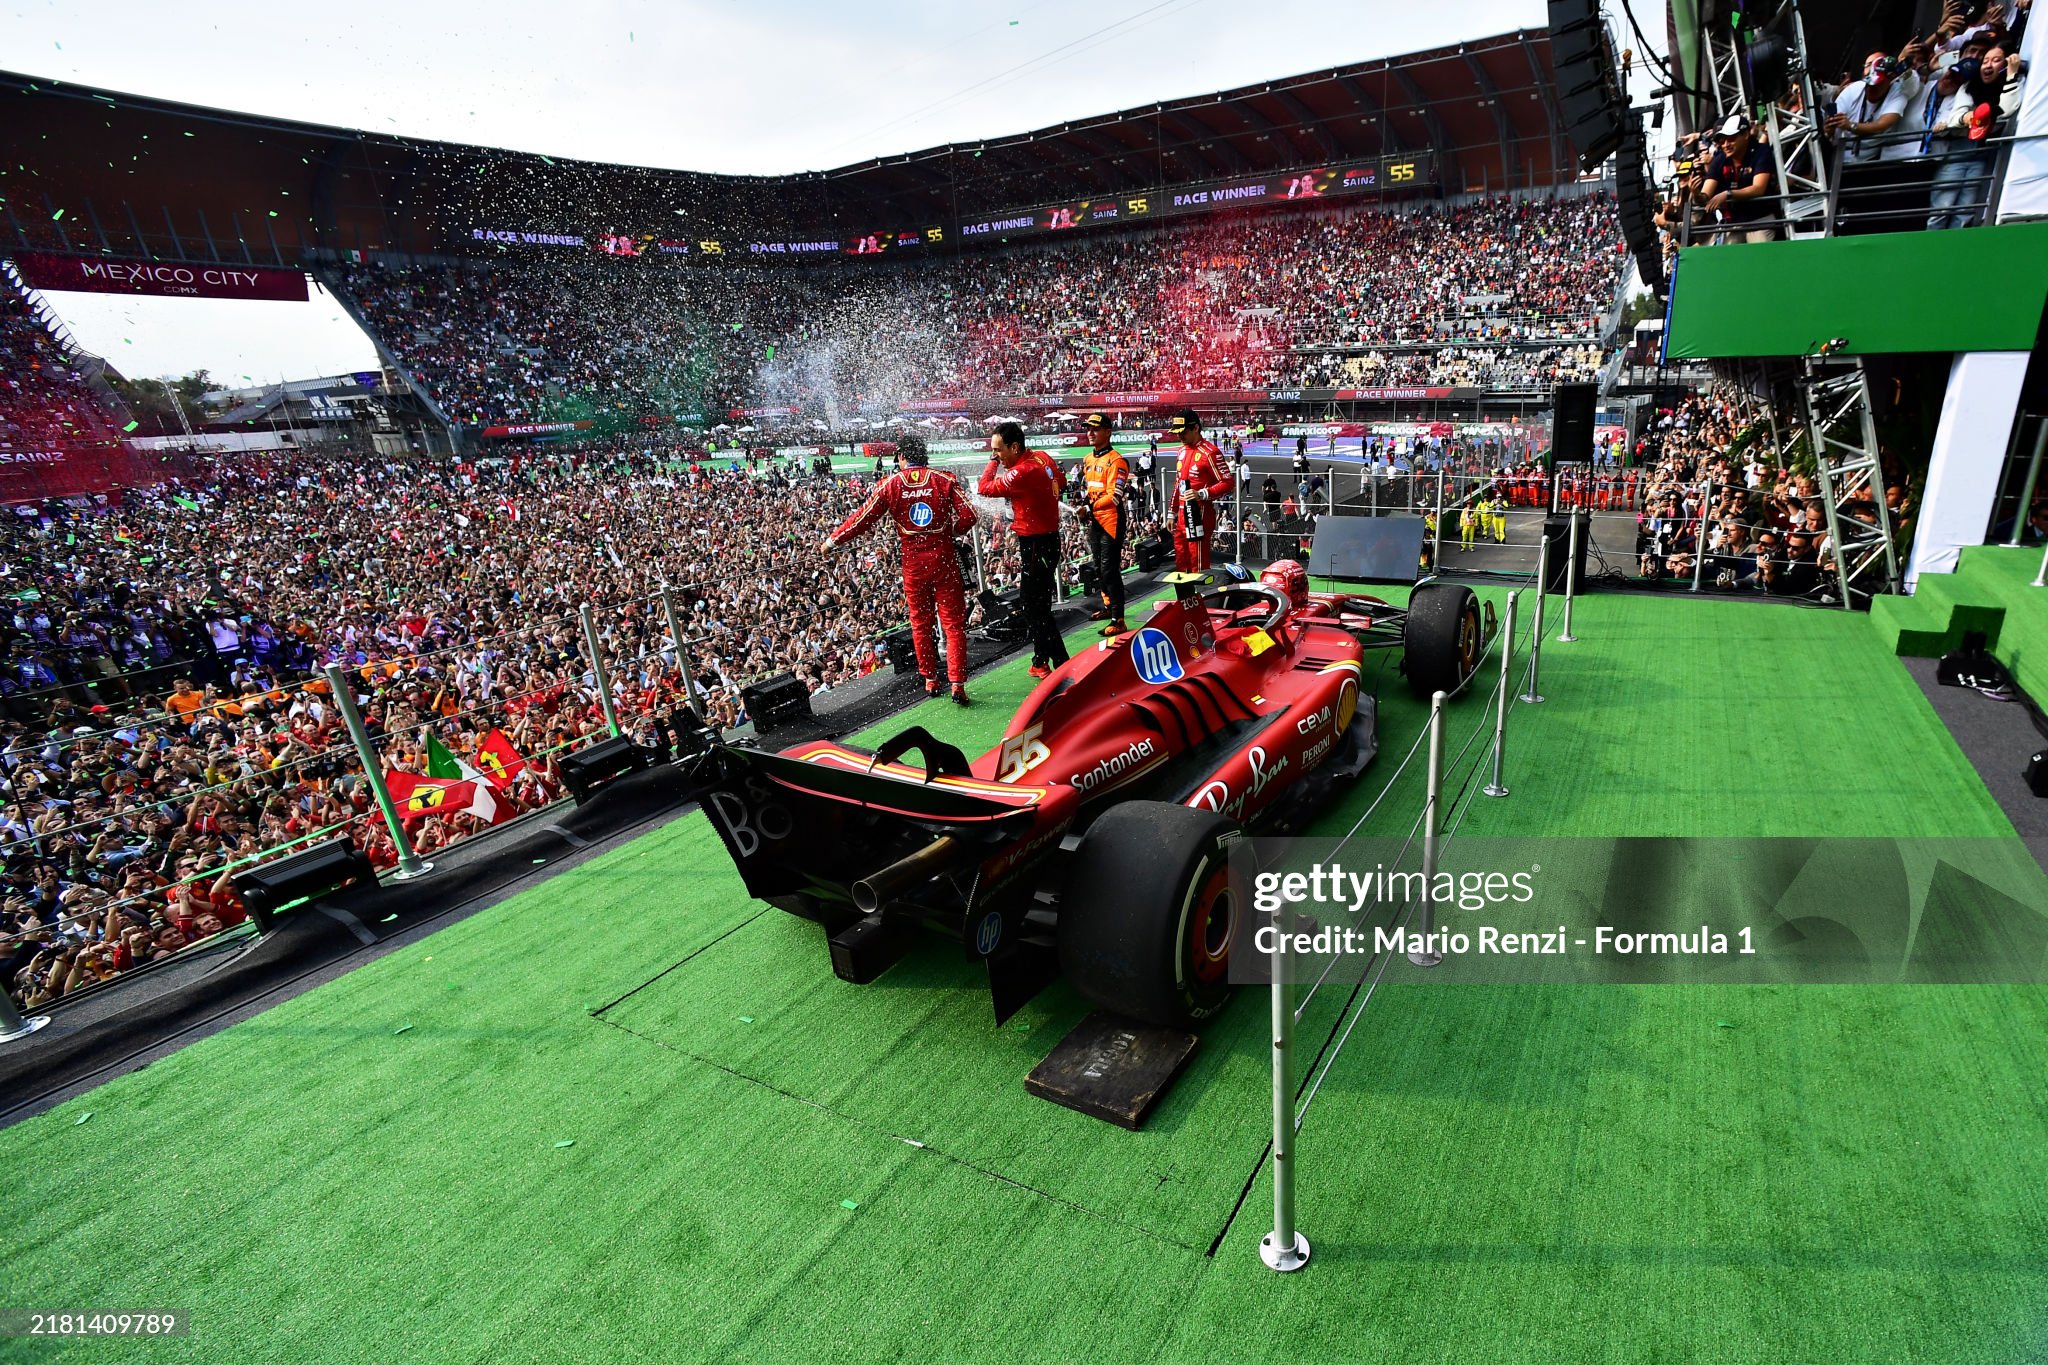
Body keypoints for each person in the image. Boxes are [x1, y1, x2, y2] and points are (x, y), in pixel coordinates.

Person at [824, 435, 978, 705]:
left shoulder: (890, 484)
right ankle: (958, 684)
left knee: (921, 623)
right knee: (953, 625)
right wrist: (952, 531)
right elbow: (970, 515)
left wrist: (832, 540)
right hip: (944, 560)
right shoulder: (944, 479)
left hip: (914, 565)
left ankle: (930, 679)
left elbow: (862, 518)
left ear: (902, 457)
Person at [979, 421, 1070, 678]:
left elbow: (983, 487)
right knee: (1039, 604)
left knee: (1033, 608)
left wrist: (992, 464)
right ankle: (1040, 660)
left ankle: (1063, 664)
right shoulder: (1042, 458)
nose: (996, 454)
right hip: (1049, 540)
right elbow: (1060, 482)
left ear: (1015, 447)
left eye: (998, 450)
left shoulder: (1022, 472)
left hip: (1035, 544)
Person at [1077, 414, 1130, 636]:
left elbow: (1114, 497)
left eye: (1095, 429)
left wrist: (1089, 508)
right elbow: (1090, 491)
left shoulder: (1117, 461)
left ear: (1108, 432)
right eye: (1088, 429)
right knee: (1099, 568)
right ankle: (1108, 607)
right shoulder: (1088, 459)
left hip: (1111, 521)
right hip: (1095, 521)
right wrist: (1083, 506)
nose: (1090, 433)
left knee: (1109, 571)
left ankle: (1119, 619)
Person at [1167, 411, 1234, 572]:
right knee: (1181, 565)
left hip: (1200, 515)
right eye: (1177, 432)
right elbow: (1179, 483)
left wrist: (1203, 493)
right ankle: (1185, 598)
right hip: (1181, 517)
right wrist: (1171, 512)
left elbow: (1228, 483)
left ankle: (1202, 597)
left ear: (1195, 428)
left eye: (1183, 432)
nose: (1180, 436)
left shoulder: (1210, 452)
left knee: (1197, 565)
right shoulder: (1181, 451)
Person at [1698, 115, 1779, 242]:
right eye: (1721, 140)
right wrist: (1695, 194)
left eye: (1731, 138)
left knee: (1761, 259)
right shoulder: (1720, 159)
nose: (1725, 145)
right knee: (1731, 258)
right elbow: (1705, 195)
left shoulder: (1761, 151)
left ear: (1745, 134)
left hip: (1760, 220)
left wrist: (1727, 194)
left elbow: (1758, 188)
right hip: (1734, 223)